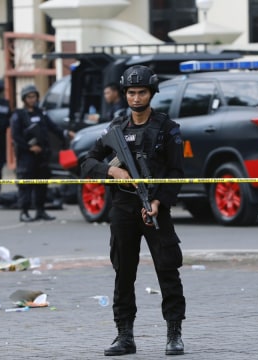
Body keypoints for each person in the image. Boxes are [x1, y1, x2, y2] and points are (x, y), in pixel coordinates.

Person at [81, 65, 186, 356]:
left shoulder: (166, 128)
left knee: (167, 269)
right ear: (125, 94)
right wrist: (111, 171)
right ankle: (124, 336)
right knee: (123, 272)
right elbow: (87, 163)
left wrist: (157, 201)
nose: (136, 98)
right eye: (131, 92)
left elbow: (177, 172)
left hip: (154, 206)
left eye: (141, 92)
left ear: (151, 94)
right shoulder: (116, 128)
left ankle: (174, 334)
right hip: (123, 208)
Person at [10, 85, 75, 222]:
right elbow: (16, 136)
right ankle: (24, 212)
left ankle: (40, 210)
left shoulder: (41, 113)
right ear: (24, 99)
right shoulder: (19, 115)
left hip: (42, 155)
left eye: (34, 96)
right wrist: (29, 148)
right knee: (25, 184)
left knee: (42, 183)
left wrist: (65, 133)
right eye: (29, 97)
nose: (32, 99)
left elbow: (52, 127)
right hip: (26, 156)